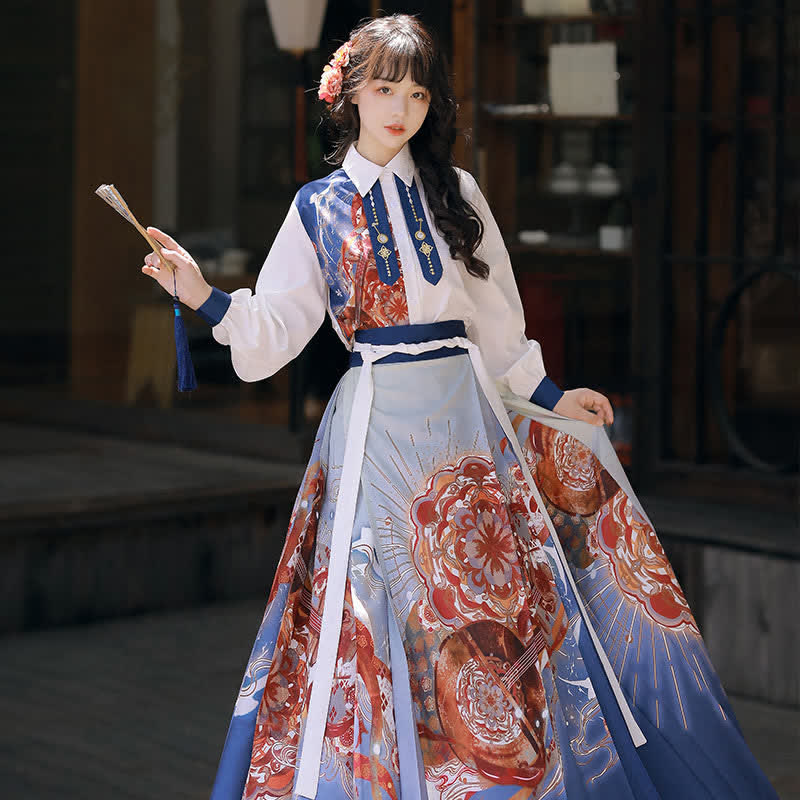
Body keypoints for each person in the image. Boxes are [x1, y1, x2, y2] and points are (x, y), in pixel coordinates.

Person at [141, 14, 778, 800]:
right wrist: (198, 293)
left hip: (466, 428)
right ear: (349, 95)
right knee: (384, 616)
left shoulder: (457, 193)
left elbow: (500, 325)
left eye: (415, 92)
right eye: (383, 89)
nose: (400, 107)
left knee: (487, 610)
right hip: (376, 428)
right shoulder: (318, 207)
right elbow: (272, 334)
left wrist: (551, 396)